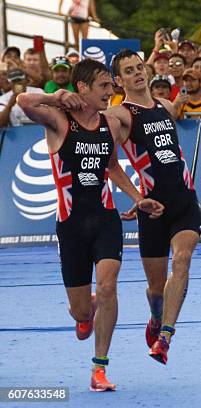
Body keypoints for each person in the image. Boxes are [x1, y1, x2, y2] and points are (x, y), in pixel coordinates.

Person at [16, 59, 163, 391]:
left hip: (105, 219)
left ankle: (99, 369)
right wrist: (57, 97)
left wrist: (138, 198)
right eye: (104, 87)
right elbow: (25, 101)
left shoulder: (108, 124)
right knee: (81, 313)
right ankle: (87, 311)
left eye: (111, 86)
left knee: (109, 285)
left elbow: (113, 167)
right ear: (82, 88)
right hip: (71, 226)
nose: (110, 92)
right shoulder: (58, 121)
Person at [106, 49, 201, 365]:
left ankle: (165, 338)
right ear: (119, 80)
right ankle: (156, 316)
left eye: (139, 67)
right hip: (153, 211)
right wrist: (137, 198)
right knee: (156, 290)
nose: (138, 73)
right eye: (129, 71)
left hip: (185, 202)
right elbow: (111, 164)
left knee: (184, 259)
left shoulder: (164, 106)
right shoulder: (122, 114)